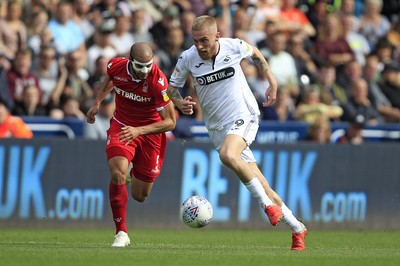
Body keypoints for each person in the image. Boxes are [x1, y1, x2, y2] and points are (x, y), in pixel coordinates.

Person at [167, 15, 307, 251]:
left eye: (204, 40)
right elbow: (171, 89)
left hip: (244, 114)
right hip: (217, 128)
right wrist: (179, 103)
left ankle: (266, 207)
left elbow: (256, 55)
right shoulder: (188, 58)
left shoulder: (234, 46)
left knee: (228, 155)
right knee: (262, 184)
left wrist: (271, 80)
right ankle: (298, 229)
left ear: (217, 36)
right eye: (195, 41)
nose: (200, 46)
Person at [86, 42, 176, 247]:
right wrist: (98, 101)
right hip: (122, 126)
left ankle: (133, 171)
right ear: (130, 61)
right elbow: (111, 79)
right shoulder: (116, 66)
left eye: (149, 65)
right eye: (140, 66)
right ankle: (121, 233)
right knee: (118, 172)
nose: (145, 71)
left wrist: (139, 131)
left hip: (149, 132)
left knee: (140, 195)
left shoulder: (158, 81)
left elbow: (170, 122)